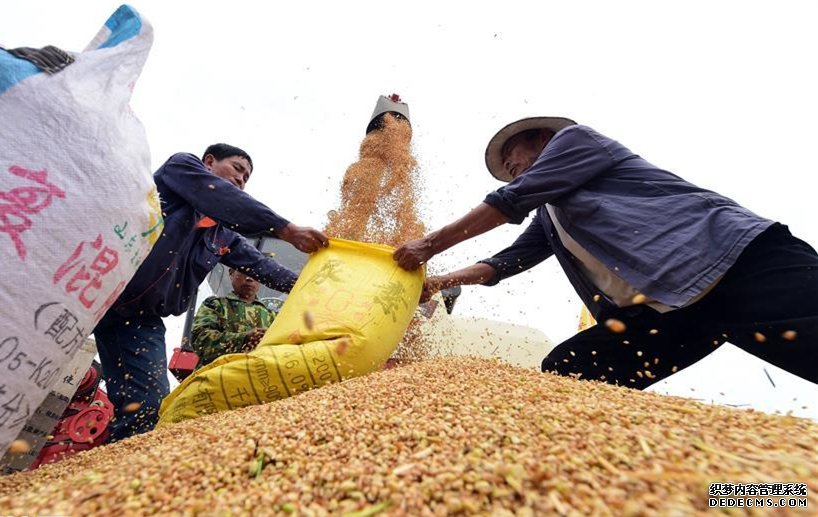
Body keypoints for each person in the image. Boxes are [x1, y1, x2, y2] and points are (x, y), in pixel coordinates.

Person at [394, 117, 818, 389]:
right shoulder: (552, 213)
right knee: (572, 370)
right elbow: (508, 260)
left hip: (736, 261)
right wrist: (439, 282)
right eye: (507, 168)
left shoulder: (578, 142)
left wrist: (429, 245)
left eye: (513, 157)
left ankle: (782, 498)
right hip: (673, 311)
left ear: (543, 138)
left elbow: (512, 198)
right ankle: (644, 486)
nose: (512, 169)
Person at [93, 143, 328, 441]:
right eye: (237, 169)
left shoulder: (222, 235)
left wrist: (317, 288)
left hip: (138, 320)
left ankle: (114, 475)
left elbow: (264, 267)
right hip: (95, 289)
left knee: (147, 409)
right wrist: (285, 229)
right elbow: (218, 195)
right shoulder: (181, 170)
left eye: (246, 179)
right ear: (209, 162)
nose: (241, 180)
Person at [190, 268, 275, 368]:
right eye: (244, 272)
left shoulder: (273, 316)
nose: (249, 278)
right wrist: (243, 339)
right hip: (217, 376)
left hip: (257, 378)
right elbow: (200, 341)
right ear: (231, 273)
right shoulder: (216, 305)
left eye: (255, 273)